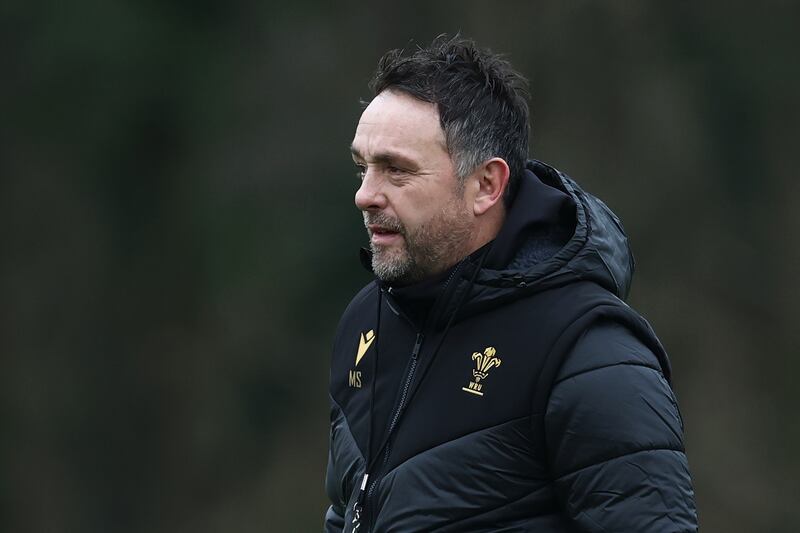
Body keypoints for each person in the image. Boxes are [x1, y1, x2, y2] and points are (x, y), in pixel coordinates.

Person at [324, 35, 698, 532]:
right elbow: (348, 510)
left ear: (486, 185)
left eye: (397, 170)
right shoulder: (364, 323)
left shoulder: (590, 353)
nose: (366, 195)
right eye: (363, 168)